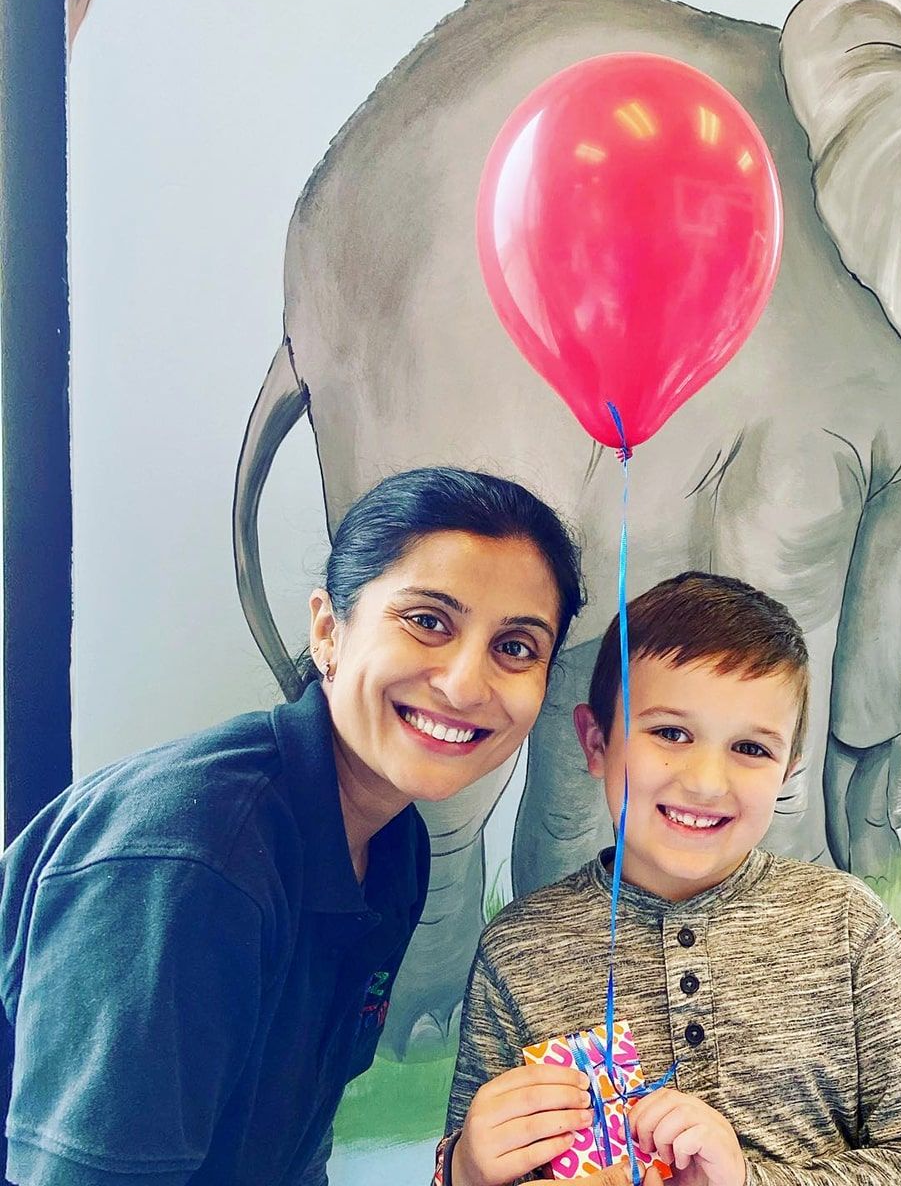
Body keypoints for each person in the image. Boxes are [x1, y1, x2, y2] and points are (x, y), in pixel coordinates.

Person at [0, 466, 586, 1186]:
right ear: (327, 632)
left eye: (516, 647)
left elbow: (291, 1139)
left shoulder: (394, 842)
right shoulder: (195, 863)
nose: (466, 683)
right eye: (428, 621)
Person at [438, 572, 901, 1186]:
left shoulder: (847, 925)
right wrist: (465, 1170)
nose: (705, 782)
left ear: (788, 772)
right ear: (596, 740)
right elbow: (480, 1165)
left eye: (751, 749)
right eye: (671, 733)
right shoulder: (518, 951)